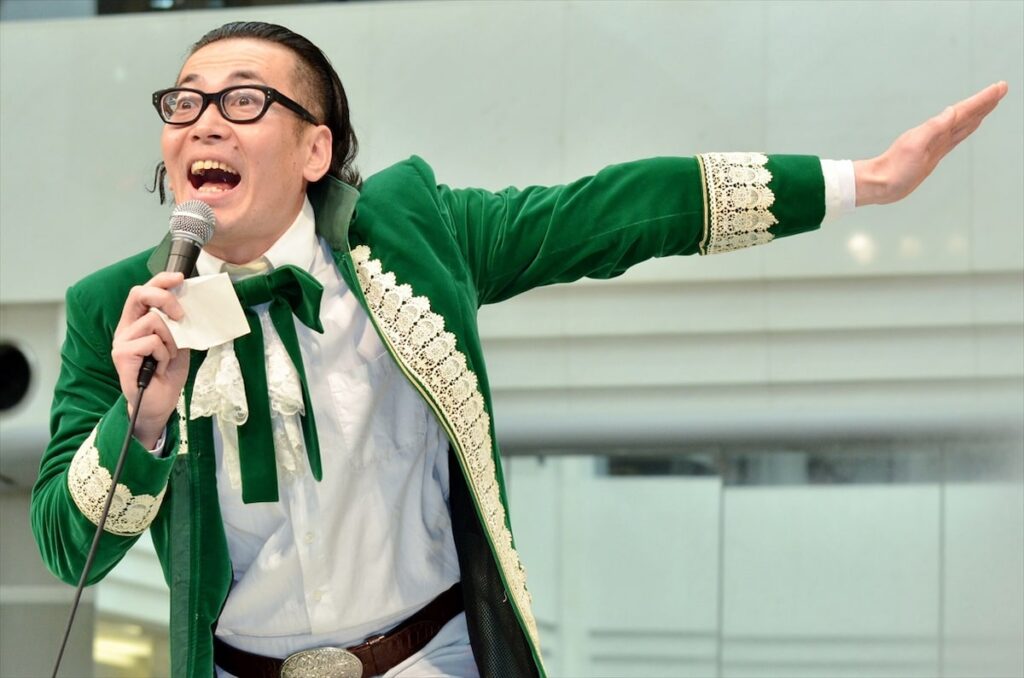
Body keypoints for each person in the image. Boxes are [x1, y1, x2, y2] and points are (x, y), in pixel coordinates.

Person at [30, 20, 1006, 678]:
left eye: (244, 102)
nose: (204, 121)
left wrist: (860, 182)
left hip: (434, 658)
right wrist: (140, 420)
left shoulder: (410, 237)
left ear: (315, 150)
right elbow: (72, 551)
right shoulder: (117, 310)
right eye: (185, 103)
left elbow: (612, 211)